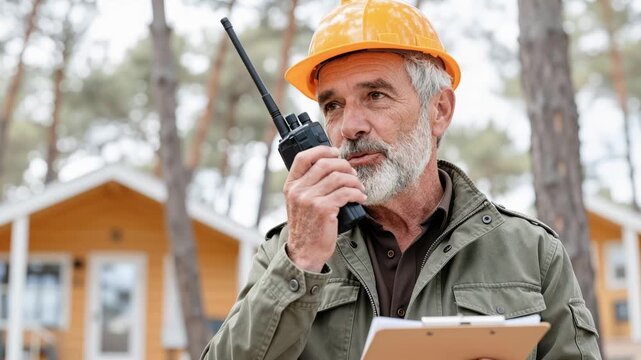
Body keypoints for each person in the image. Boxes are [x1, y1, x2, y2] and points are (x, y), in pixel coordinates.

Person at [201, 0, 601, 359]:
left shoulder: (532, 252)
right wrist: (302, 260)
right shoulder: (286, 254)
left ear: (439, 110)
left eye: (375, 95)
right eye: (333, 105)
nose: (350, 127)